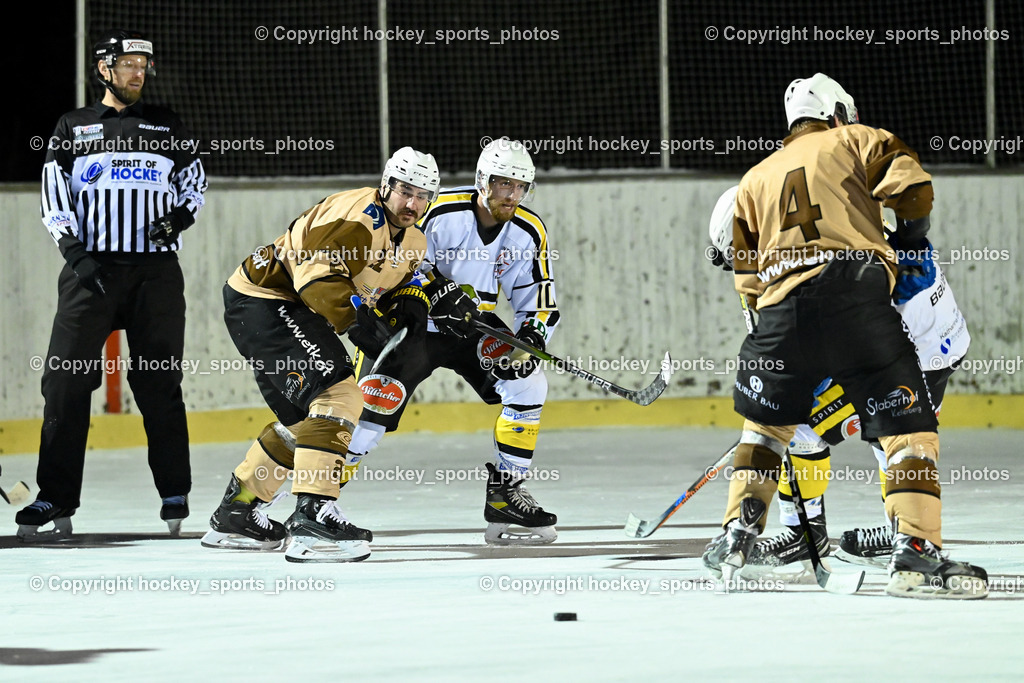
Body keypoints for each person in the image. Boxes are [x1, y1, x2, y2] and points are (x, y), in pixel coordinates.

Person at [700, 73, 987, 599]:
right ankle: (915, 549)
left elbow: (747, 275)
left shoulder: (755, 179)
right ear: (837, 114)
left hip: (848, 321)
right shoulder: (854, 139)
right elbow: (913, 187)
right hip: (859, 298)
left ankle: (736, 535)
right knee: (905, 434)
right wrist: (910, 236)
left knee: (766, 432)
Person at [706, 184, 971, 576]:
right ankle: (904, 534)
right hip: (942, 335)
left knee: (800, 429)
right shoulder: (827, 219)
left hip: (911, 340)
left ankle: (803, 534)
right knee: (896, 437)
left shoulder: (803, 256)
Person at [201, 146, 439, 563]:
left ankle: (237, 511)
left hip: (267, 304)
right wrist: (358, 324)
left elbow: (391, 282)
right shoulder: (360, 217)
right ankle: (313, 518)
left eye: (422, 195)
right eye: (405, 191)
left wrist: (418, 300)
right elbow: (317, 277)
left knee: (309, 428)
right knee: (339, 397)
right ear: (387, 185)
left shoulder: (413, 238)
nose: (412, 203)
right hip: (269, 299)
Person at [17, 29, 207, 540]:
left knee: (158, 385)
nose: (138, 73)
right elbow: (53, 195)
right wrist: (76, 257)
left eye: (144, 65)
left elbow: (195, 183)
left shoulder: (167, 126)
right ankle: (54, 496)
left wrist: (179, 219)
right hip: (91, 274)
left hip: (156, 277)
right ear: (103, 69)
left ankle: (174, 492)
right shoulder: (73, 127)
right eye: (128, 64)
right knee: (64, 382)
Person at [342, 137, 561, 545]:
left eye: (519, 187)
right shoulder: (441, 212)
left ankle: (505, 494)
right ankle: (314, 501)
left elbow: (539, 296)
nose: (511, 195)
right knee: (365, 419)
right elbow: (397, 257)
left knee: (528, 384)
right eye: (502, 184)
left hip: (471, 327)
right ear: (482, 180)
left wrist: (532, 336)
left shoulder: (528, 231)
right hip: (411, 325)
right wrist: (434, 288)